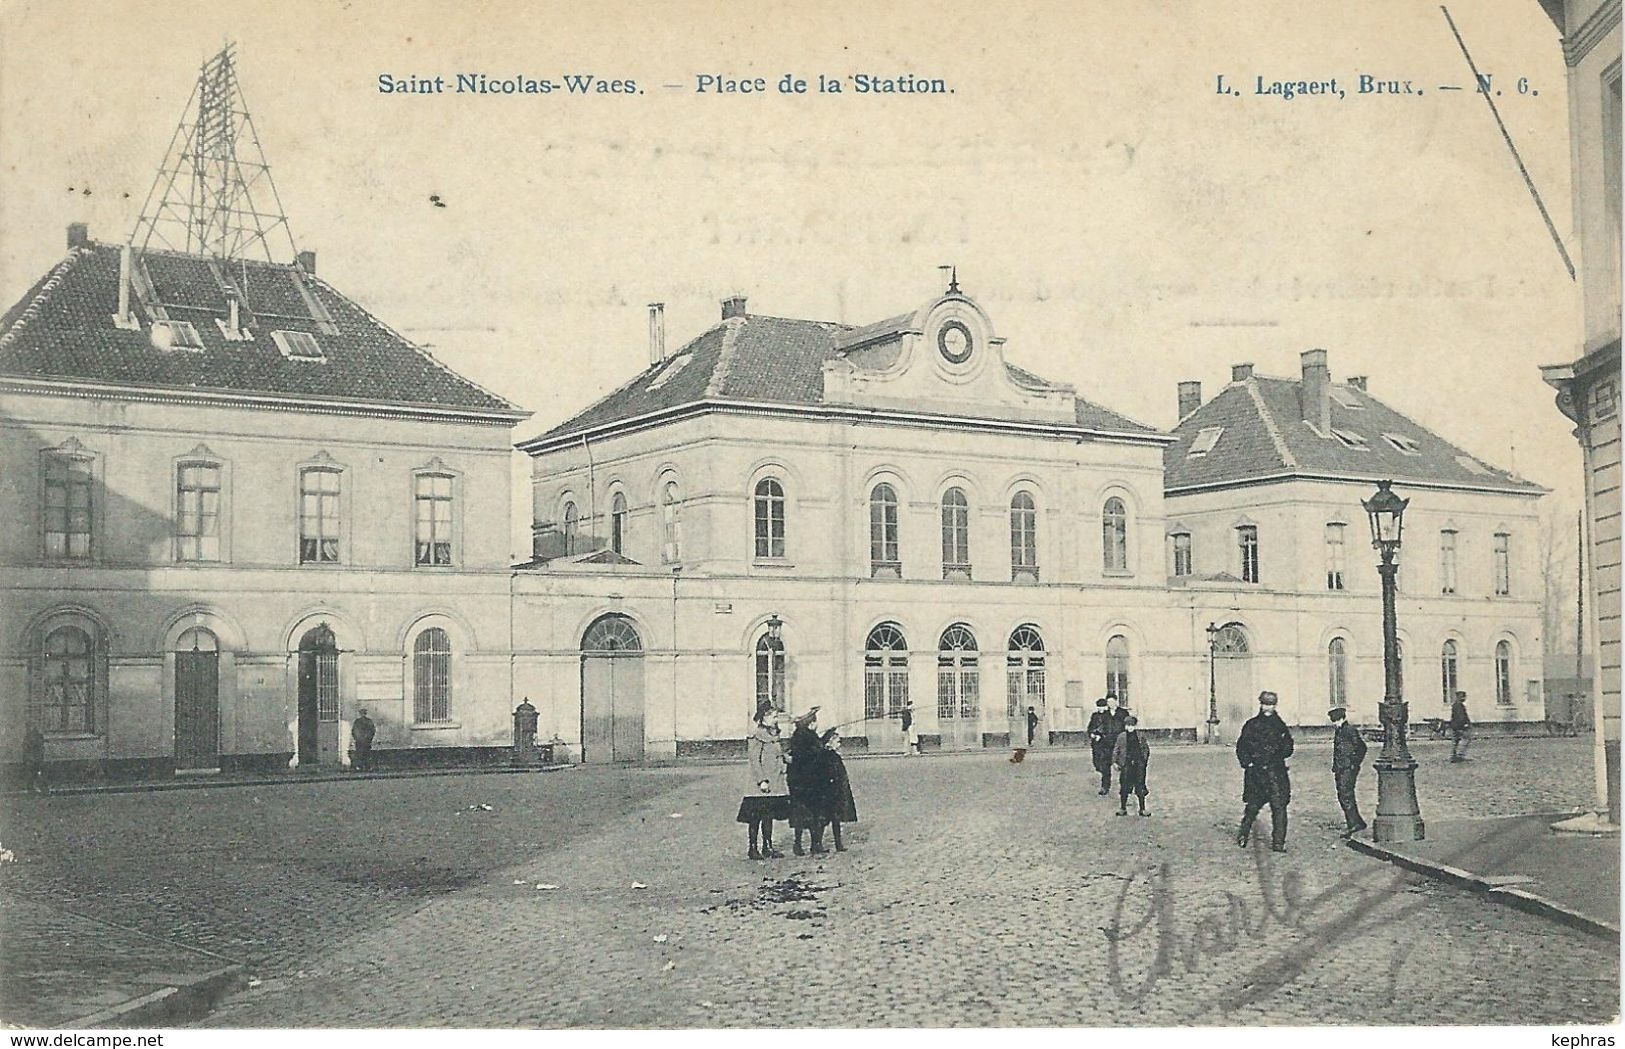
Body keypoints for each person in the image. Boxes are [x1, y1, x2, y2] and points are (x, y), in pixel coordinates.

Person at [1236, 691, 1294, 852]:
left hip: (1276, 774)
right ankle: (1243, 833)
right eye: (1265, 704)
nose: (1268, 707)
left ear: (1275, 706)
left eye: (1271, 704)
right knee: (1253, 807)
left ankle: (1278, 842)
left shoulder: (1280, 726)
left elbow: (1289, 747)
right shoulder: (1252, 725)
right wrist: (1248, 764)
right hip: (1257, 774)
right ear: (1260, 705)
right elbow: (1241, 747)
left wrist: (1279, 753)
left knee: (1279, 808)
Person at [737, 700, 789, 860]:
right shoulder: (757, 736)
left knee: (768, 817)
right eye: (773, 716)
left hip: (774, 783)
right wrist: (762, 781)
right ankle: (752, 849)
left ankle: (768, 847)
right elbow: (754, 760)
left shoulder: (773, 735)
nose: (775, 719)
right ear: (764, 718)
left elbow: (776, 755)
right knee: (755, 818)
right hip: (759, 786)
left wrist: (786, 759)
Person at [787, 706, 829, 855]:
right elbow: (817, 753)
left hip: (798, 782)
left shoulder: (797, 736)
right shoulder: (809, 737)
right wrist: (826, 738)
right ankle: (814, 844)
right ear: (810, 724)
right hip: (810, 782)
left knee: (801, 815)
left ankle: (799, 844)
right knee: (814, 813)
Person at [818, 728, 858, 852]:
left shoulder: (833, 755)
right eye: (837, 741)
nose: (839, 744)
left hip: (835, 792)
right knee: (826, 819)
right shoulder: (829, 756)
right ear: (829, 742)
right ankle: (819, 844)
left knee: (835, 819)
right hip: (830, 793)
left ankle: (837, 843)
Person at [1329, 706, 1367, 837]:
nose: (1335, 723)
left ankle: (1354, 824)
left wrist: (1353, 764)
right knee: (1343, 795)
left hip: (1348, 769)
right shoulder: (1339, 730)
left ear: (1342, 718)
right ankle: (1357, 822)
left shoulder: (1349, 730)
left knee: (1345, 795)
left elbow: (1362, 747)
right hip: (1341, 768)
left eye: (1336, 720)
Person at [1112, 714, 1151, 817]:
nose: (1130, 727)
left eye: (1132, 725)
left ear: (1135, 726)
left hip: (1138, 765)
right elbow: (1116, 749)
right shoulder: (1121, 737)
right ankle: (1123, 808)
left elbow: (1145, 749)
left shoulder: (1140, 736)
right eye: (1128, 725)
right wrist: (1115, 762)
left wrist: (1143, 762)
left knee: (1140, 786)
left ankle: (1142, 809)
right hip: (1126, 765)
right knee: (1124, 787)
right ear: (1125, 726)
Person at [1087, 696, 1126, 796]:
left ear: (1116, 702)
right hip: (1106, 744)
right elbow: (1100, 727)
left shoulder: (1123, 713)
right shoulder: (1104, 715)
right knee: (1105, 766)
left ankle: (1125, 787)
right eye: (1109, 702)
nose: (1111, 704)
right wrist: (1097, 735)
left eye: (1112, 702)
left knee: (1123, 766)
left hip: (1119, 743)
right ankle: (1105, 787)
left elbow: (1127, 726)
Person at [22, 725, 46, 795]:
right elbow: (26, 749)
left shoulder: (31, 738)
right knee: (35, 774)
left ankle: (35, 788)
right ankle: (40, 788)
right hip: (33, 759)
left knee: (34, 774)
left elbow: (40, 749)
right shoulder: (30, 738)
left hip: (33, 759)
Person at [1449, 690, 1472, 762]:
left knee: (1456, 741)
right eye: (1463, 697)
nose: (1464, 698)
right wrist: (1465, 725)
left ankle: (1454, 755)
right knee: (1466, 739)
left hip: (1455, 726)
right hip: (1460, 727)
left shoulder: (1455, 705)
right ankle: (1460, 755)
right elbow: (1461, 717)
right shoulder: (1459, 706)